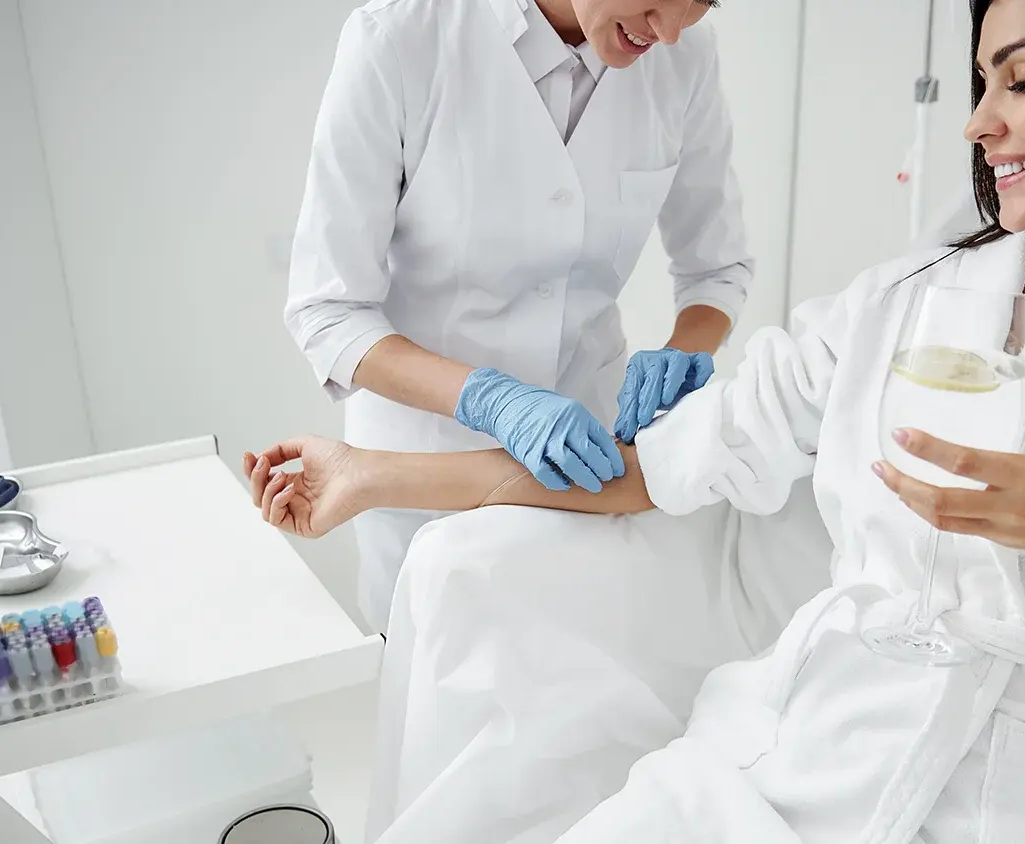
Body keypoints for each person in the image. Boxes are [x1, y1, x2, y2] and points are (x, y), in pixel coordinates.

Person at [249, 0, 1025, 840]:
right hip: (788, 757)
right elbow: (651, 466)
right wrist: (371, 471)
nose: (979, 124)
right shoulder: (909, 303)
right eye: (981, 84)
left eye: (1020, 80)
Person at [283, 0, 751, 632]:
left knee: (582, 665)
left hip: (587, 466)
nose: (668, 32)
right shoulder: (398, 40)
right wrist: (491, 399)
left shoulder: (684, 59)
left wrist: (685, 350)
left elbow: (716, 269)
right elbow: (329, 310)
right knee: (433, 671)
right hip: (420, 472)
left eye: (702, 4)